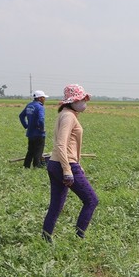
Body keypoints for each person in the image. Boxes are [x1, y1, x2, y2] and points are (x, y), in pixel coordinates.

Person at [42, 84, 99, 242]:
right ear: (71, 101)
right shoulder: (68, 116)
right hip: (64, 164)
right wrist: (68, 170)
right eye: (80, 99)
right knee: (91, 200)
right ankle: (79, 236)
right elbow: (61, 144)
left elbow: (69, 145)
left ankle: (46, 237)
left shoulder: (68, 114)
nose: (84, 102)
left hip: (56, 163)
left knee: (56, 205)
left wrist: (78, 164)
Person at [19, 90, 49, 168]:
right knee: (38, 151)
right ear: (39, 98)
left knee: (30, 150)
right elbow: (41, 119)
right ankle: (36, 166)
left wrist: (26, 126)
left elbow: (21, 116)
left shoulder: (29, 105)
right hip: (38, 133)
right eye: (43, 98)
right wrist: (42, 129)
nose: (44, 99)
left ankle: (26, 166)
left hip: (30, 133)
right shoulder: (40, 107)